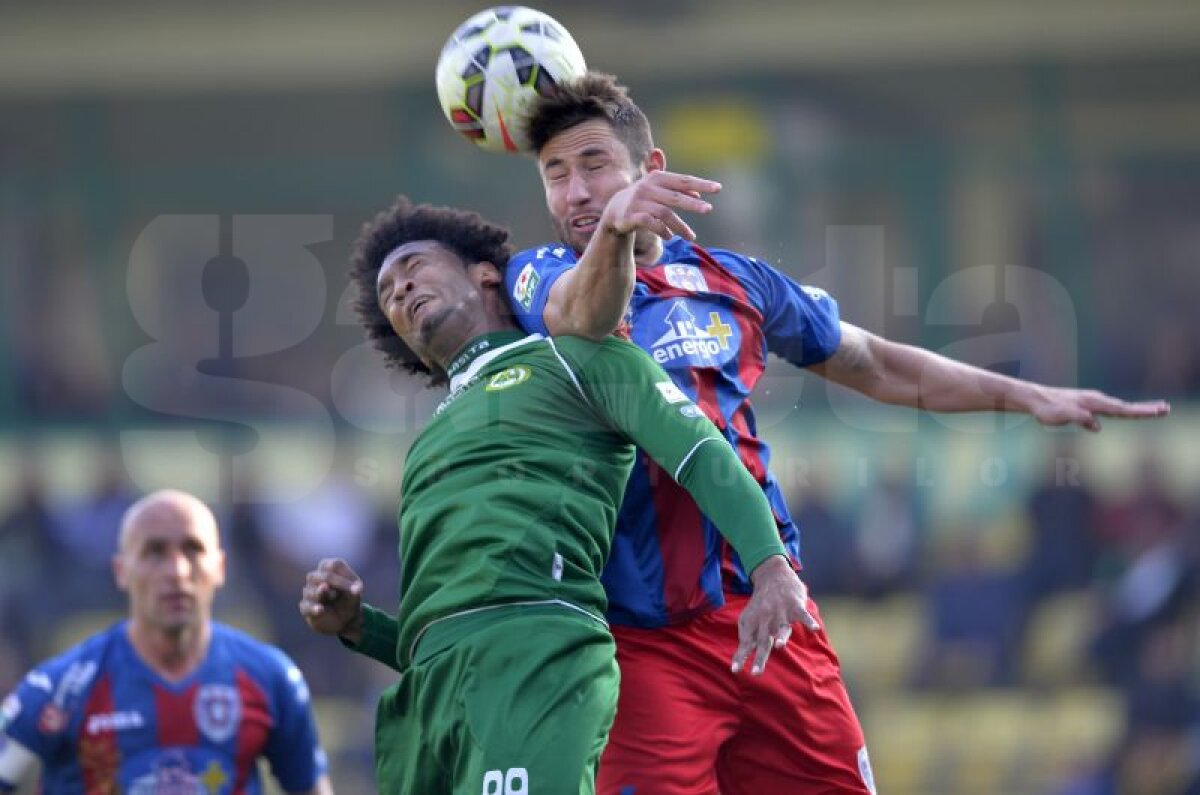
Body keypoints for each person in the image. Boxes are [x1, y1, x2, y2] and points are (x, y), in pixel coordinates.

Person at [503, 72, 1172, 794]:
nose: (577, 192)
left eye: (595, 165)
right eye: (556, 174)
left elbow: (875, 363)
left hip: (769, 609)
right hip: (641, 639)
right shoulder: (537, 276)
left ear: (650, 168)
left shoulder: (736, 282)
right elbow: (583, 318)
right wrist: (614, 229)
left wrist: (1024, 394)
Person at [297, 197, 819, 794]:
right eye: (388, 293)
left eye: (413, 266)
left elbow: (702, 455)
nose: (401, 290)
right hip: (429, 705)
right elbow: (441, 634)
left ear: (485, 272)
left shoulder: (575, 357)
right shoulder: (424, 445)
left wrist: (770, 564)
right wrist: (359, 626)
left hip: (537, 662)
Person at [0, 489, 333, 795]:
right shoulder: (62, 687)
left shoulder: (271, 677)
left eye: (193, 549)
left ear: (220, 568)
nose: (176, 570)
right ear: (121, 571)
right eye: (154, 552)